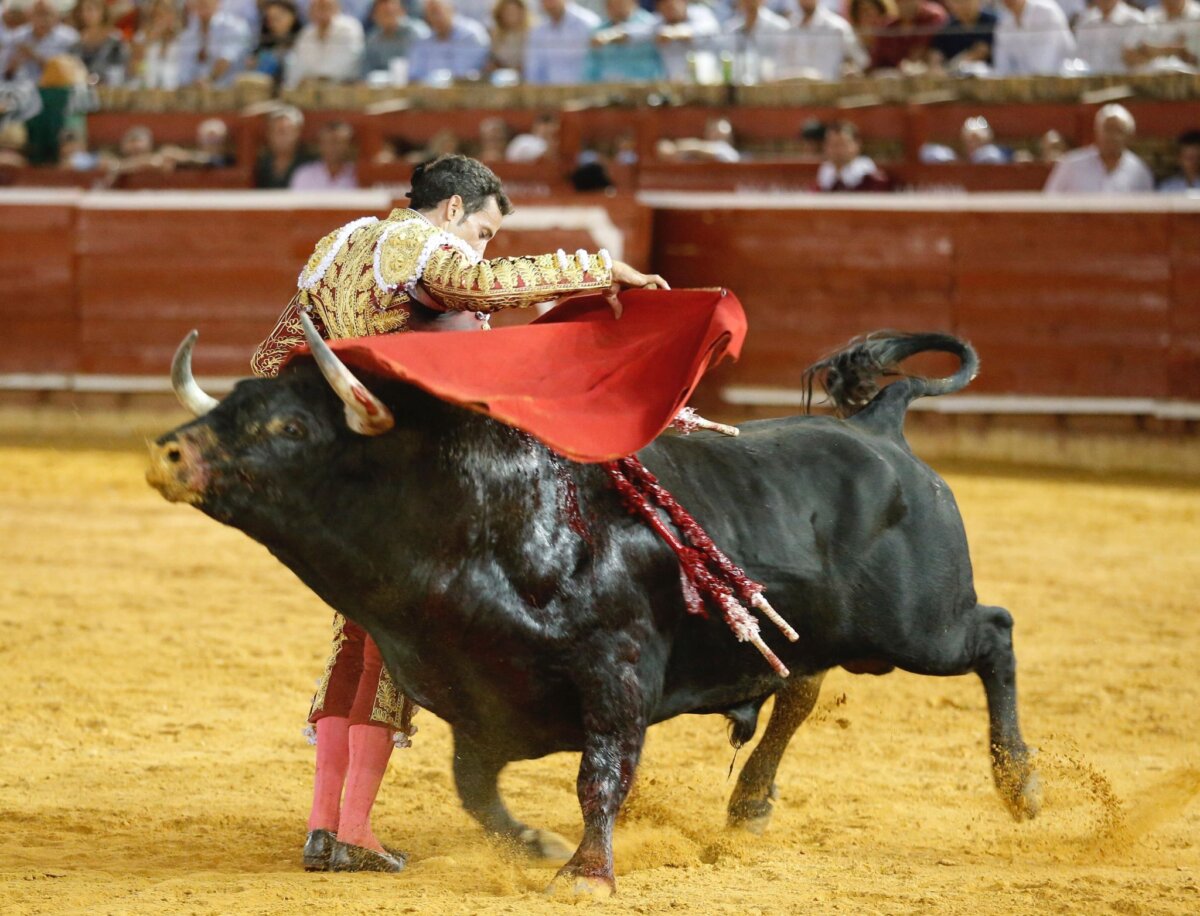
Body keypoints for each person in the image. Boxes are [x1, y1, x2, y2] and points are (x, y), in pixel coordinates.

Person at [249, 154, 668, 872]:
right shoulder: (422, 245)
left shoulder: (335, 249)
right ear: (451, 210)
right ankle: (351, 833)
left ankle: (325, 827)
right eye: (482, 228)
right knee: (392, 643)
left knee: (356, 634)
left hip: (353, 475)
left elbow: (272, 361)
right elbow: (478, 285)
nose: (483, 245)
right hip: (421, 473)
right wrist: (600, 270)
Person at [1043, 103, 1154, 193]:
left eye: (1118, 131)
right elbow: (1049, 202)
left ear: (1129, 136)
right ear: (1097, 131)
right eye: (1108, 129)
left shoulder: (1140, 172)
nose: (1112, 136)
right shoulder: (1070, 165)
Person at [408, 0, 491, 83]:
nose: (434, 17)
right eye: (429, 13)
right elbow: (414, 76)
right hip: (428, 93)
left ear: (450, 9)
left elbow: (467, 74)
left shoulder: (471, 35)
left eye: (436, 11)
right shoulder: (423, 42)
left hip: (468, 92)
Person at [523, 0, 600, 85]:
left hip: (586, 93)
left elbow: (596, 65)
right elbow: (533, 71)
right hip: (548, 94)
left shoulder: (589, 24)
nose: (549, 3)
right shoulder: (538, 31)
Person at [176, 0, 251, 86]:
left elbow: (226, 59)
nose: (201, 3)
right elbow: (184, 66)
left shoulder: (235, 27)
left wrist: (208, 80)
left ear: (218, 2)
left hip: (229, 92)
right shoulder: (187, 33)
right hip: (193, 93)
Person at [0, 0, 79, 82]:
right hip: (21, 88)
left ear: (57, 16)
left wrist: (35, 56)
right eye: (38, 14)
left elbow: (71, 73)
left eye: (47, 14)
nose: (43, 19)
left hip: (55, 88)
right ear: (29, 16)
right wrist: (13, 64)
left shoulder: (69, 38)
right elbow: (4, 73)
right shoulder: (17, 37)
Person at [585, 0, 663, 82]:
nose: (616, 8)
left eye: (621, 3)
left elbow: (641, 33)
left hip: (646, 85)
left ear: (634, 3)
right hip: (609, 88)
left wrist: (611, 35)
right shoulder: (598, 30)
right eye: (611, 4)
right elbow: (592, 65)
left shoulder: (651, 24)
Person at [288, 0, 364, 84]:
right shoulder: (306, 33)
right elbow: (298, 65)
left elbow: (347, 62)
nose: (320, 12)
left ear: (336, 8)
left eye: (325, 7)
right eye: (316, 8)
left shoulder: (349, 28)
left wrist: (318, 78)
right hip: (310, 86)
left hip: (343, 85)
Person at [791, 0, 867, 82]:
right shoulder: (790, 26)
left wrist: (850, 69)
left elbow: (860, 61)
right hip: (793, 90)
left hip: (831, 90)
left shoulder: (838, 27)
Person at [992, 0, 1075, 76]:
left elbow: (1045, 67)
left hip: (1060, 83)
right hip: (1024, 86)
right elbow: (1002, 68)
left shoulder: (1047, 12)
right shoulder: (1003, 25)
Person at [719, 0, 793, 85]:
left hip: (772, 89)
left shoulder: (780, 27)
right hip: (739, 90)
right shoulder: (730, 28)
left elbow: (785, 66)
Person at [868, 0, 947, 72]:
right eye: (900, 1)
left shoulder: (933, 18)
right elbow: (876, 62)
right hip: (896, 81)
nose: (905, 4)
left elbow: (941, 48)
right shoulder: (888, 28)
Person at [1123, 0, 1200, 72]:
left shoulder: (1197, 16)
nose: (1170, 2)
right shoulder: (1150, 15)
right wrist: (1177, 49)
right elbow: (1130, 53)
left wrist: (1157, 50)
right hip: (1153, 79)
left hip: (1191, 81)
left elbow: (1193, 57)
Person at [653, 0, 720, 83]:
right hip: (673, 81)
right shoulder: (657, 23)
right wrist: (659, 34)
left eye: (673, 4)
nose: (670, 9)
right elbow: (639, 33)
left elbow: (711, 29)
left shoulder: (700, 13)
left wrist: (677, 32)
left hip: (706, 80)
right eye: (665, 5)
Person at [815, 120, 892, 191]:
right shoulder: (825, 171)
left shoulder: (869, 176)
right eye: (831, 144)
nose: (836, 150)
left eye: (842, 144)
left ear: (857, 145)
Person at [360, 0, 428, 77]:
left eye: (391, 12)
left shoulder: (416, 33)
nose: (388, 18)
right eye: (384, 13)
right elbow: (365, 71)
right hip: (382, 86)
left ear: (402, 11)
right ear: (374, 16)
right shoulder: (372, 39)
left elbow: (423, 67)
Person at [1074, 0, 1145, 74]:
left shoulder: (1136, 21)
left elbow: (1137, 63)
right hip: (1089, 82)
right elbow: (1079, 60)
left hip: (1124, 82)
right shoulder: (1085, 20)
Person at [928, 0, 996, 73]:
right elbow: (935, 58)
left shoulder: (992, 23)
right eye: (958, 1)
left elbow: (981, 51)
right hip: (952, 79)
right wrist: (938, 69)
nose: (963, 5)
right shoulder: (947, 28)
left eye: (967, 1)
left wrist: (953, 66)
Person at [289, 119, 358, 190]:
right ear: (320, 144)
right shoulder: (304, 174)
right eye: (328, 142)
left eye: (339, 142)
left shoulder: (357, 175)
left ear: (349, 145)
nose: (333, 147)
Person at [71, 0, 129, 84]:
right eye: (82, 10)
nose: (85, 14)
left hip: (109, 88)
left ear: (102, 11)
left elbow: (120, 66)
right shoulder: (76, 41)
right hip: (83, 89)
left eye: (90, 9)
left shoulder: (115, 39)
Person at [129, 0, 183, 88]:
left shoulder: (182, 38)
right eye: (156, 15)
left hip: (174, 86)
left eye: (163, 15)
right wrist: (148, 41)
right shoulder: (141, 37)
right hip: (146, 85)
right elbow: (133, 70)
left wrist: (166, 42)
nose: (159, 20)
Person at [255, 105, 310, 187]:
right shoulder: (260, 164)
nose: (281, 137)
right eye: (276, 131)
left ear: (297, 133)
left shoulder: (308, 164)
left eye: (285, 131)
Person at [251, 0, 302, 84]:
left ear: (292, 16)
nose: (274, 23)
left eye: (278, 18)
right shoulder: (264, 42)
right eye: (270, 19)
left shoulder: (304, 38)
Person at [487, 0, 531, 74]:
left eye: (514, 11)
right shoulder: (493, 35)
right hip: (500, 79)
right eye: (507, 11)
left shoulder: (531, 34)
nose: (511, 14)